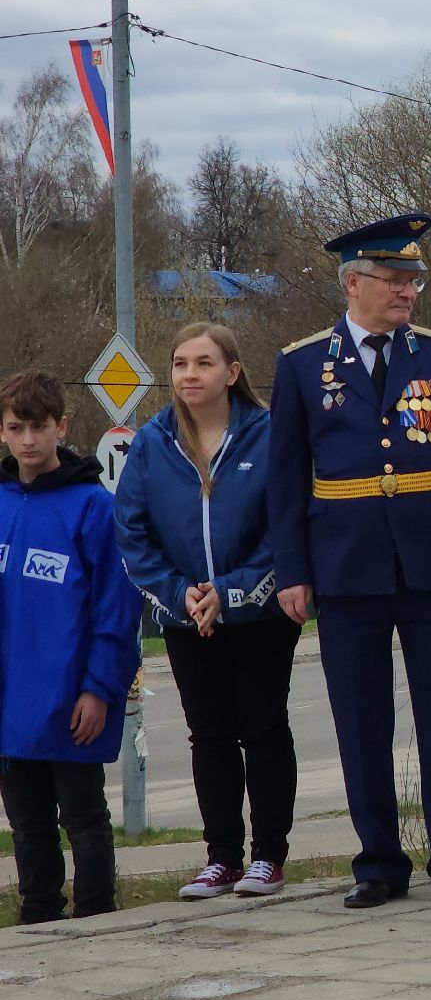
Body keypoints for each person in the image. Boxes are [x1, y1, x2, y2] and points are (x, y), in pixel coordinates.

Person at [267, 213, 431, 910]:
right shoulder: (304, 363)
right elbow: (285, 477)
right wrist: (293, 568)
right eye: (396, 280)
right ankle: (377, 860)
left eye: (413, 281)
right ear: (354, 283)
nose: (408, 293)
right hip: (346, 566)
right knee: (361, 719)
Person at [115, 323, 300, 900]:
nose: (189, 375)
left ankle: (268, 856)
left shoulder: (270, 435)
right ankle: (221, 856)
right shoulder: (152, 442)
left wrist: (235, 589)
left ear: (232, 372)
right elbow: (133, 532)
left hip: (260, 614)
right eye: (179, 364)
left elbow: (288, 525)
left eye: (203, 364)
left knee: (263, 727)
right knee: (209, 735)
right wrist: (181, 593)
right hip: (187, 616)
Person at [0, 368, 140, 924]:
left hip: (72, 699)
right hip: (11, 704)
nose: (28, 440)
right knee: (27, 823)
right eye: (16, 427)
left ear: (61, 425)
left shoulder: (93, 508)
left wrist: (99, 688)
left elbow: (115, 610)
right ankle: (38, 918)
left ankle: (97, 916)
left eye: (38, 426)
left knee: (82, 815)